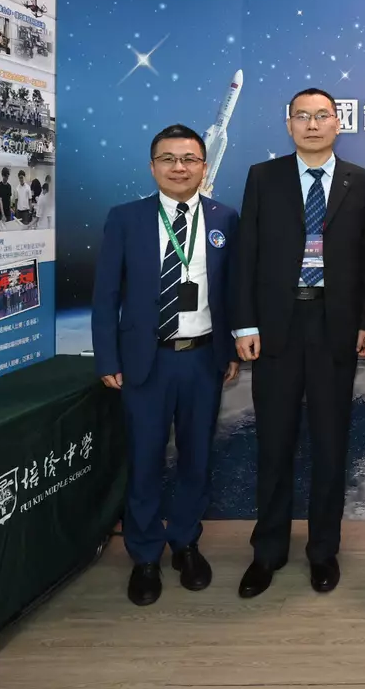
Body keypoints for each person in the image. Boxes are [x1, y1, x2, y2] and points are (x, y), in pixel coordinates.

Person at [233, 87, 365, 598]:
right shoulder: (263, 177)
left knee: (330, 443)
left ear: (338, 122)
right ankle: (268, 551)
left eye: (322, 116)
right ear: (289, 124)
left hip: (334, 325)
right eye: (303, 116)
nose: (313, 124)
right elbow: (247, 253)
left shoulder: (363, 183)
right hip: (277, 325)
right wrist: (245, 324)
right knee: (274, 443)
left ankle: (323, 551)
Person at [91, 124, 240, 606]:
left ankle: (186, 544)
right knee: (145, 459)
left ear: (204, 166)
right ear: (153, 166)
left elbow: (232, 291)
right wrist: (107, 356)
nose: (180, 167)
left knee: (196, 458)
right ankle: (145, 554)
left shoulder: (224, 217)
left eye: (189, 159)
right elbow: (105, 295)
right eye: (169, 159)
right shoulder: (126, 218)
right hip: (145, 362)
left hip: (202, 360)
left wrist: (229, 350)